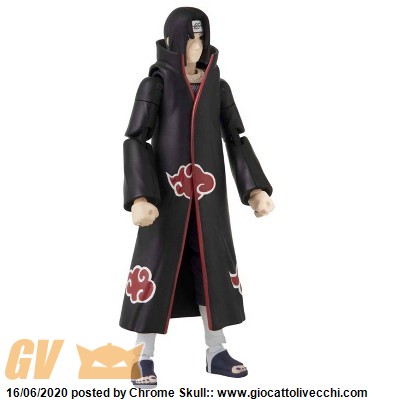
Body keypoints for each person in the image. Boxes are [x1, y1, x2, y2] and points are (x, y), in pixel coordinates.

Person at [120, 7, 274, 387]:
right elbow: (136, 139)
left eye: (202, 38)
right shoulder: (155, 84)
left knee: (212, 269)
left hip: (209, 201)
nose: (197, 46)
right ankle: (141, 356)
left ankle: (216, 350)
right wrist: (140, 196)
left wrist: (254, 188)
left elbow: (235, 138)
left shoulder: (217, 86)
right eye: (189, 38)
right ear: (172, 41)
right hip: (165, 199)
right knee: (154, 271)